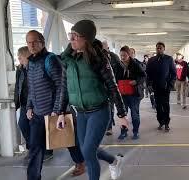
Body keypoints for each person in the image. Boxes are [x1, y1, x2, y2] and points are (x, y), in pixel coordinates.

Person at [57, 20, 129, 180]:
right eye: (71, 35)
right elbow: (64, 87)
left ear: (86, 39)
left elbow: (112, 86)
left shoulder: (99, 59)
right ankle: (114, 161)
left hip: (99, 111)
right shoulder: (67, 59)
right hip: (80, 113)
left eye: (75, 36)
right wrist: (60, 112)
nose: (71, 39)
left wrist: (122, 114)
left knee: (88, 151)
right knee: (86, 150)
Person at [25, 30, 85, 180]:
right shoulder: (30, 62)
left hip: (55, 112)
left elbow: (61, 86)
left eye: (34, 42)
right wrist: (29, 107)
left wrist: (57, 111)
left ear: (42, 43)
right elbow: (31, 88)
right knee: (35, 149)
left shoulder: (50, 60)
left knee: (68, 140)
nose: (31, 45)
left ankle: (80, 162)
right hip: (38, 114)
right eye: (28, 42)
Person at [116, 46, 146, 140]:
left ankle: (135, 131)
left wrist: (136, 81)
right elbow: (115, 77)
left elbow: (143, 76)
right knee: (123, 114)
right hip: (123, 94)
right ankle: (123, 132)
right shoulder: (118, 65)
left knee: (134, 114)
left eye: (124, 55)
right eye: (121, 55)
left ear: (129, 55)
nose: (122, 57)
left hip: (134, 94)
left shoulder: (135, 65)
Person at [146, 42, 176, 132]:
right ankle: (160, 122)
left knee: (165, 105)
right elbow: (148, 74)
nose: (159, 49)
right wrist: (149, 85)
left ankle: (167, 123)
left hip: (166, 87)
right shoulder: (151, 60)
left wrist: (170, 85)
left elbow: (174, 74)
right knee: (158, 106)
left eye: (160, 48)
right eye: (157, 48)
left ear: (164, 49)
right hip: (155, 87)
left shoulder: (169, 59)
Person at [102, 40, 121, 136]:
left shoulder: (114, 57)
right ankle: (107, 124)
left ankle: (109, 127)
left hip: (111, 86)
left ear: (108, 48)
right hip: (100, 88)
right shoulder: (96, 57)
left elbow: (119, 70)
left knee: (110, 107)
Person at [14, 46, 31, 152]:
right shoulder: (20, 70)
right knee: (22, 124)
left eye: (20, 57)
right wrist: (16, 101)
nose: (19, 59)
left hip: (35, 102)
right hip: (24, 103)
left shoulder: (33, 68)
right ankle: (32, 147)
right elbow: (18, 86)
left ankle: (42, 150)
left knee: (36, 127)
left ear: (26, 56)